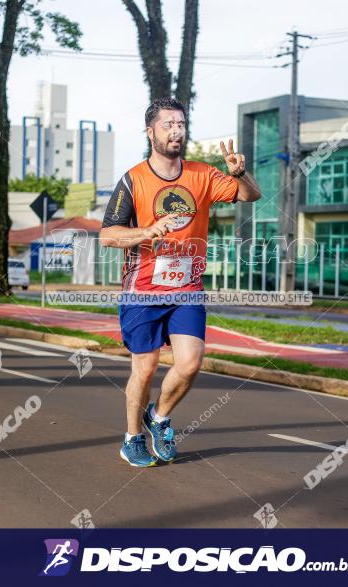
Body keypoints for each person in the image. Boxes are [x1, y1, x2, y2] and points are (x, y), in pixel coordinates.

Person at [100, 98, 261, 467]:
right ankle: (132, 438)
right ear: (150, 132)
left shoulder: (203, 174)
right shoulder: (133, 179)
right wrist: (147, 231)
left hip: (186, 287)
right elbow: (108, 235)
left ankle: (157, 418)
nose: (177, 131)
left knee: (189, 364)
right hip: (142, 289)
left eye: (181, 124)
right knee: (145, 367)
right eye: (169, 125)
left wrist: (239, 174)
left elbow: (250, 195)